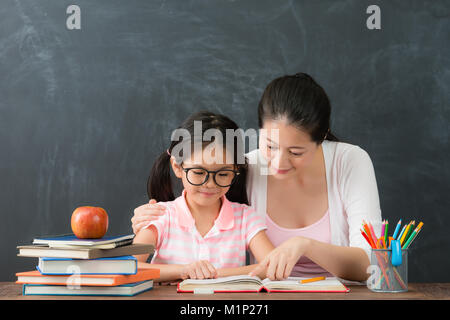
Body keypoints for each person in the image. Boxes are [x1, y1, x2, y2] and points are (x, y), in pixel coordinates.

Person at [132, 73, 382, 282]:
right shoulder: (243, 166)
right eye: (270, 146)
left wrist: (305, 246)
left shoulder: (350, 162)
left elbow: (372, 264)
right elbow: (200, 196)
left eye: (296, 152)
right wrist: (151, 218)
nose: (278, 163)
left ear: (322, 138)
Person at [132, 111, 274, 282]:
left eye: (222, 174)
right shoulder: (161, 216)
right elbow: (129, 267)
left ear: (235, 170)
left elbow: (271, 265)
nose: (210, 184)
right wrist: (184, 270)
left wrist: (212, 275)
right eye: (199, 172)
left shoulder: (245, 217)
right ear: (177, 167)